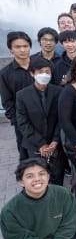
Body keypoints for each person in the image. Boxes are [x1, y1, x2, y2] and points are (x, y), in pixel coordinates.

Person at [0, 158, 76, 239]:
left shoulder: (63, 194)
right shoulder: (10, 211)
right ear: (21, 182)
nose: (37, 179)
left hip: (63, 238)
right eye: (30, 176)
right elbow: (18, 238)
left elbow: (69, 222)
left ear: (48, 177)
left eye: (42, 174)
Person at [16, 57, 65, 185]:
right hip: (34, 145)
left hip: (55, 144)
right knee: (38, 178)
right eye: (40, 72)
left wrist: (55, 140)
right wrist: (41, 144)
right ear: (32, 74)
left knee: (56, 176)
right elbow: (23, 122)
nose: (44, 75)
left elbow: (62, 118)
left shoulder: (58, 92)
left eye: (47, 72)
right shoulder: (22, 95)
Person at [0, 31, 33, 160]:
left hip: (45, 118)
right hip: (22, 121)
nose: (22, 50)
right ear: (11, 49)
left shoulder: (41, 66)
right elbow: (7, 101)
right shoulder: (5, 73)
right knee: (26, 154)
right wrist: (17, 121)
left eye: (25, 46)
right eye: (17, 47)